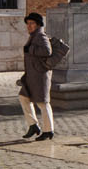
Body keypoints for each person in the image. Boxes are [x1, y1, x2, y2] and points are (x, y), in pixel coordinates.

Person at [17, 12, 54, 141]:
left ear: (38, 24)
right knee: (23, 97)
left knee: (43, 103)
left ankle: (48, 131)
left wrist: (31, 50)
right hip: (32, 76)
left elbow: (47, 51)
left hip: (40, 76)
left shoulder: (40, 35)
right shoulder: (33, 36)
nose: (29, 26)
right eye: (28, 23)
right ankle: (33, 125)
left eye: (32, 23)